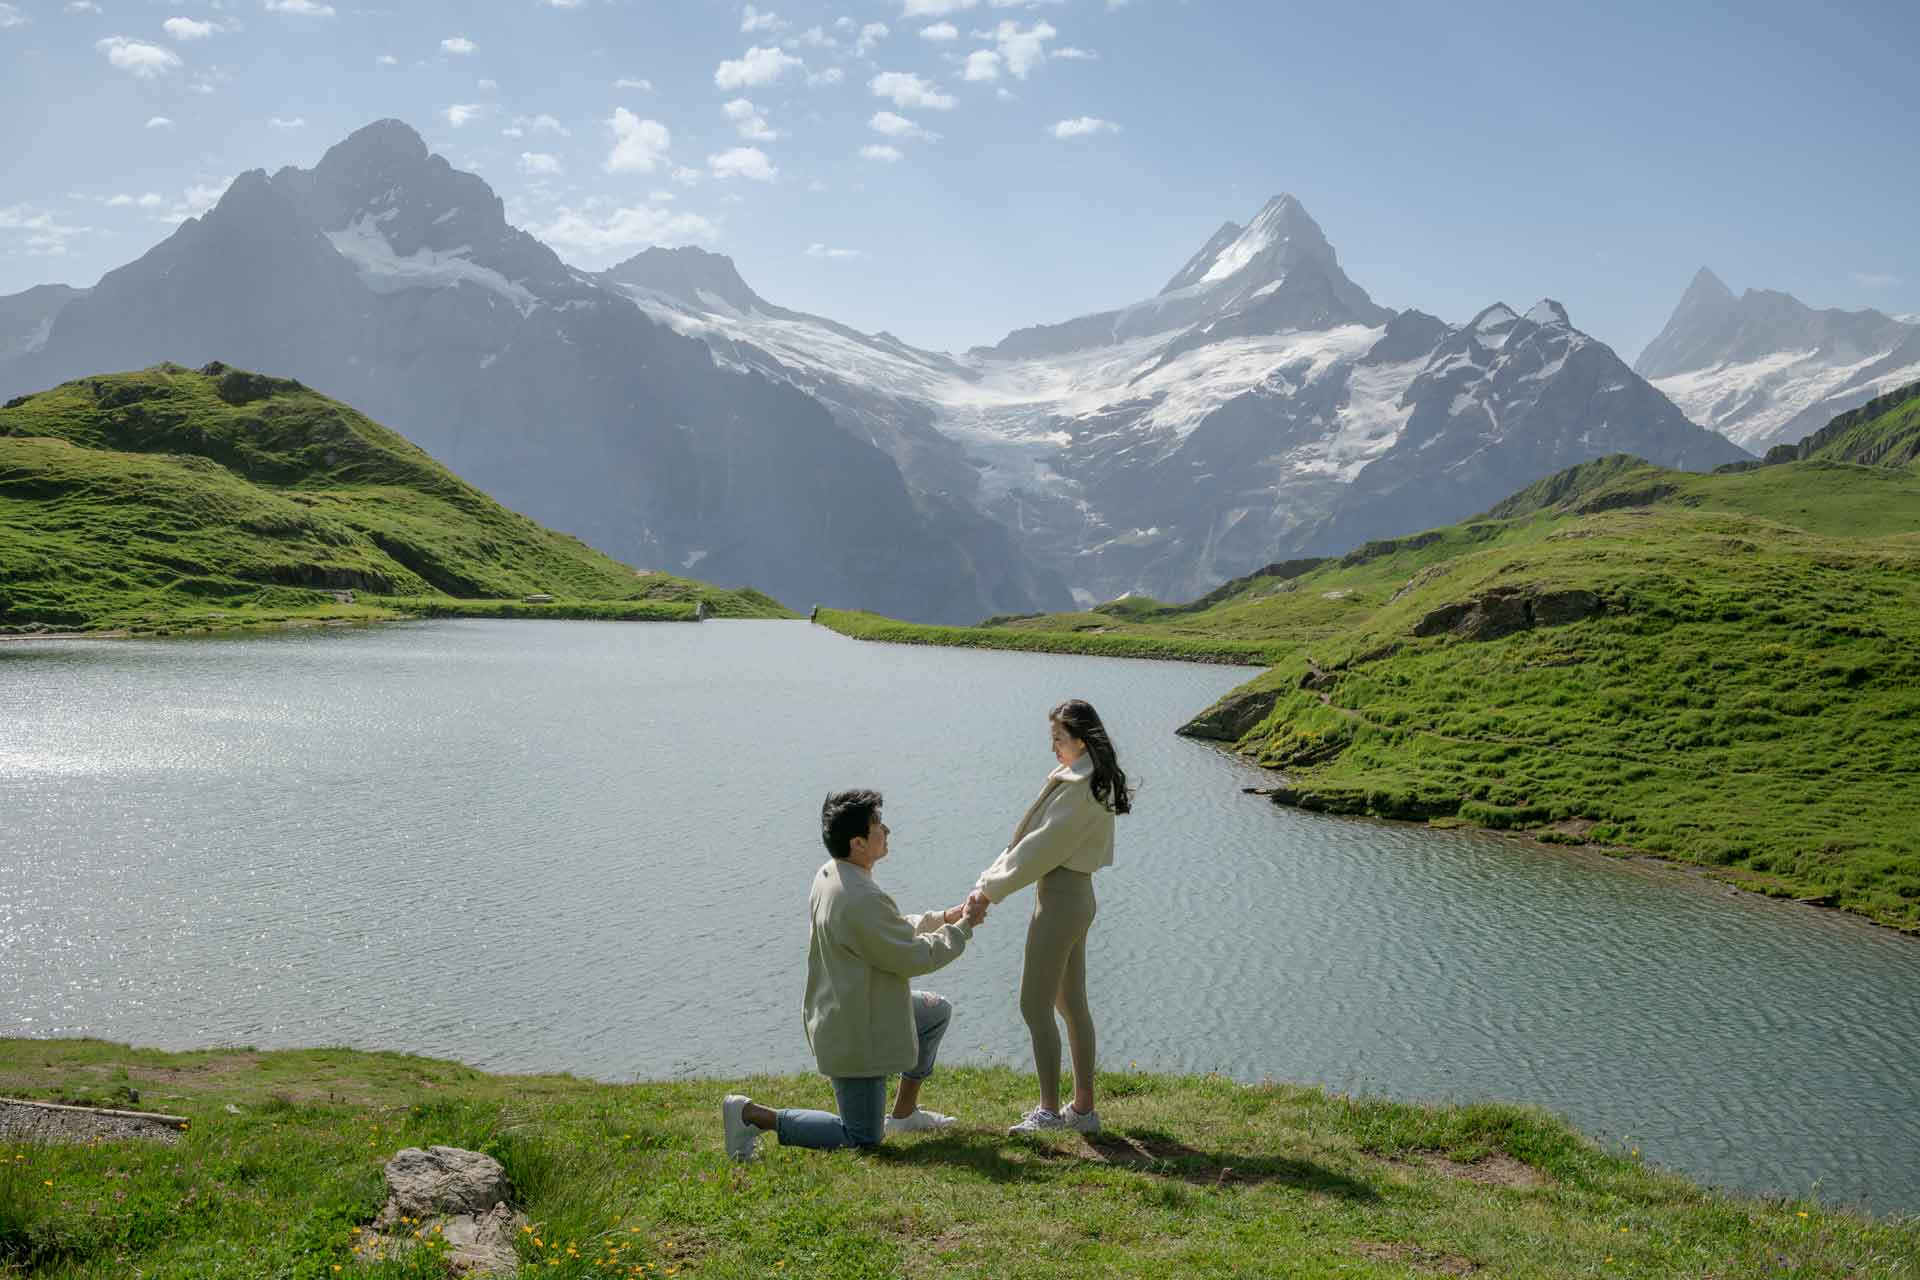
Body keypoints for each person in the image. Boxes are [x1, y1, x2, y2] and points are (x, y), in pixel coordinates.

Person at [722, 788, 988, 1159]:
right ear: (858, 843)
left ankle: (905, 1113)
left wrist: (944, 918)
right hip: (855, 1030)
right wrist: (964, 927)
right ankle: (751, 1115)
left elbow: (886, 930)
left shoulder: (833, 874)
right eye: (878, 825)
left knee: (933, 1013)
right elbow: (913, 957)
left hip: (855, 1007)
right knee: (862, 1136)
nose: (887, 830)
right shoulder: (859, 896)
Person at [967, 699, 1130, 1135]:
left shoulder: (1082, 786)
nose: (1053, 747)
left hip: (1061, 900)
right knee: (1070, 1004)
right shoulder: (1087, 778)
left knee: (1034, 1004)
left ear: (1079, 739)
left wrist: (987, 891)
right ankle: (1083, 1111)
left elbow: (1039, 848)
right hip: (1072, 896)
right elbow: (1031, 842)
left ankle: (1049, 1111)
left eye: (1058, 739)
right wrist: (988, 883)